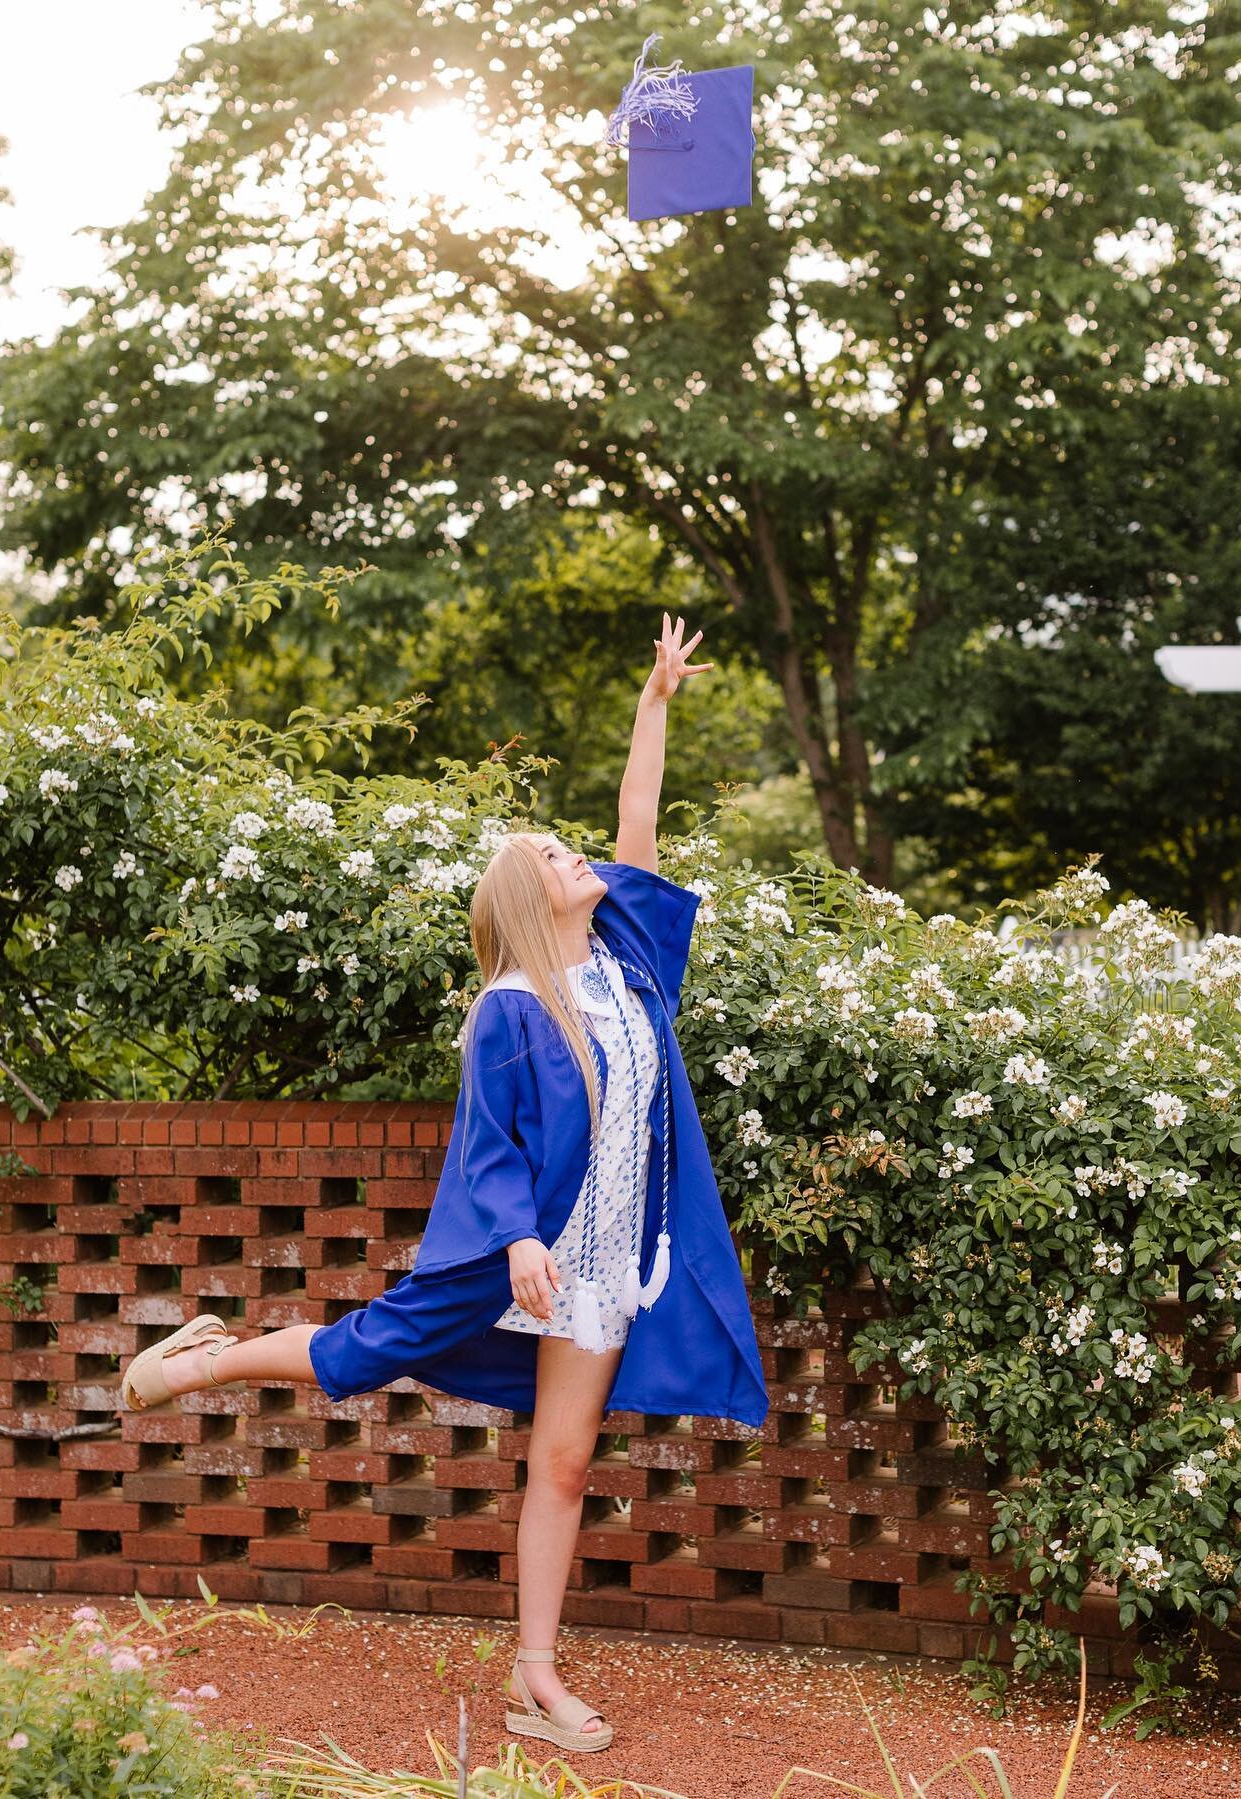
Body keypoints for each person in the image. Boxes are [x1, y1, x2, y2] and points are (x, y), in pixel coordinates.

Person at [119, 613, 770, 1754]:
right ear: (531, 898)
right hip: (508, 1261)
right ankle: (193, 1365)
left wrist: (654, 704)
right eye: (562, 860)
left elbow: (640, 823)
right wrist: (516, 1238)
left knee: (565, 1460)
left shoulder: (625, 971)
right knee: (363, 1350)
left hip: (605, 1266)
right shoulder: (513, 1010)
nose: (586, 862)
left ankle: (535, 1677)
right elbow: (490, 1148)